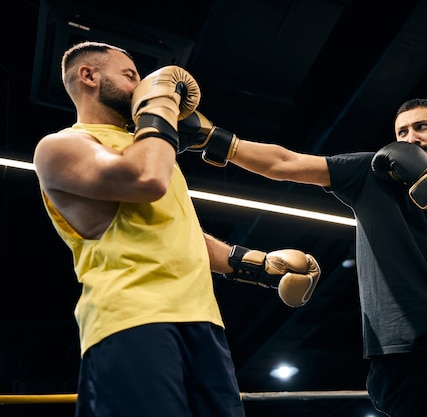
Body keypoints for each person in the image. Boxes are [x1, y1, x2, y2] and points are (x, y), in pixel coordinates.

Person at [32, 41, 320, 417]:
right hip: (132, 320)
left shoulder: (146, 147)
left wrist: (258, 265)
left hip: (204, 323)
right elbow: (146, 178)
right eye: (130, 76)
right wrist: (159, 109)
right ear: (89, 76)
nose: (142, 87)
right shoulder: (64, 146)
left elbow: (176, 233)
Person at [180, 98, 427, 416]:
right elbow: (287, 163)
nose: (410, 138)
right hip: (392, 349)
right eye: (402, 132)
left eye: (421, 127)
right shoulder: (370, 173)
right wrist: (220, 141)